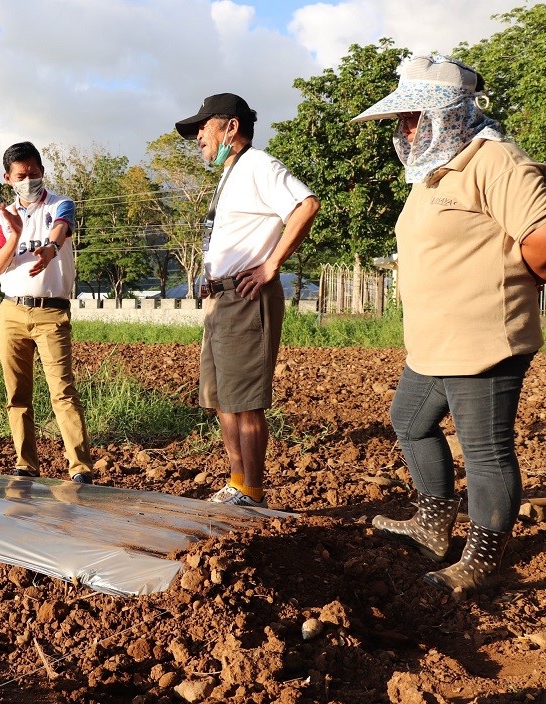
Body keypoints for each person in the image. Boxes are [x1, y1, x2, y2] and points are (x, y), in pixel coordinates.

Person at [352, 55, 546, 595]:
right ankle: (434, 525)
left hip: (483, 339)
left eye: (415, 115)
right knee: (409, 421)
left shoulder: (497, 162)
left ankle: (482, 558)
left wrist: (510, 287)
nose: (406, 127)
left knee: (485, 451)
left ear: (451, 113)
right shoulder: (436, 168)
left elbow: (541, 238)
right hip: (435, 343)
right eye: (403, 118)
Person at [175, 94, 320, 508]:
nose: (199, 135)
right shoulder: (229, 174)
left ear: (231, 127)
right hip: (220, 297)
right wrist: (210, 278)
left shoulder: (259, 165)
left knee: (245, 401)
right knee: (221, 397)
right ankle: (237, 483)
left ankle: (252, 490)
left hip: (246, 297)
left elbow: (306, 205)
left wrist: (271, 264)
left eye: (204, 126)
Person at [0, 141, 94, 484]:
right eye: (22, 174)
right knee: (16, 394)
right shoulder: (1, 219)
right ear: (8, 178)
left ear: (42, 171)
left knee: (62, 392)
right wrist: (14, 236)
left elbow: (61, 229)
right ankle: (25, 464)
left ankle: (80, 469)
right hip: (11, 313)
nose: (29, 178)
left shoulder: (60, 204)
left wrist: (50, 248)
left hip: (51, 312)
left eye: (34, 171)